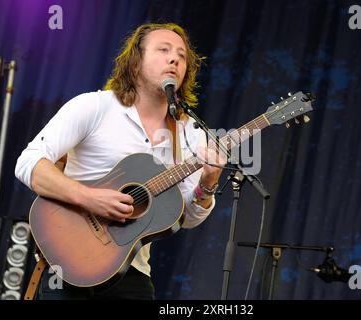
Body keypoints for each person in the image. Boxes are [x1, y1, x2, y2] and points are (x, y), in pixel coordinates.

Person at [15, 22, 226, 300]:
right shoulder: (95, 107)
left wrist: (208, 184)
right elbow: (29, 163)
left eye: (182, 55)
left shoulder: (189, 134)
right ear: (136, 61)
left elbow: (184, 219)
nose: (174, 58)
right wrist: (90, 198)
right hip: (69, 266)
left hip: (131, 271)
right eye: (163, 50)